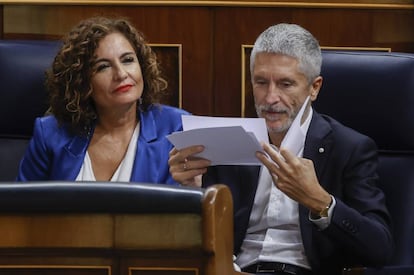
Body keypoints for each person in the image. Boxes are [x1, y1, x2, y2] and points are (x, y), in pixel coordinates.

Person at [168, 23, 393, 275]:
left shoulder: (350, 148)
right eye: (261, 82)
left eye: (286, 84)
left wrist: (319, 201)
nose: (270, 98)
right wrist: (192, 191)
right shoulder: (225, 141)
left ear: (314, 87)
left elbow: (379, 250)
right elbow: (195, 240)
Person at [17, 16, 189, 184]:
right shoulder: (49, 135)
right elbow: (21, 207)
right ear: (82, 82)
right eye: (103, 67)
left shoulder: (176, 128)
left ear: (142, 66)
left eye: (128, 60)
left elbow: (192, 204)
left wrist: (192, 186)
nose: (121, 74)